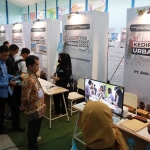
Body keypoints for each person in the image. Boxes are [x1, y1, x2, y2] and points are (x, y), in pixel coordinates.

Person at [20, 55, 46, 150]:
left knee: (36, 128)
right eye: (36, 65)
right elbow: (24, 98)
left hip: (38, 106)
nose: (38, 67)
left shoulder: (33, 75)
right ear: (30, 66)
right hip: (33, 109)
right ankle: (32, 145)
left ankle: (33, 139)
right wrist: (23, 105)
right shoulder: (28, 80)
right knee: (33, 129)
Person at [0, 45, 25, 135]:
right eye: (4, 56)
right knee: (1, 111)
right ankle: (1, 128)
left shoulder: (3, 63)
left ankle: (16, 125)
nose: (6, 57)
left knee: (15, 107)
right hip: (1, 92)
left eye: (7, 55)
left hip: (7, 90)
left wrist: (14, 76)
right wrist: (8, 83)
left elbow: (5, 75)